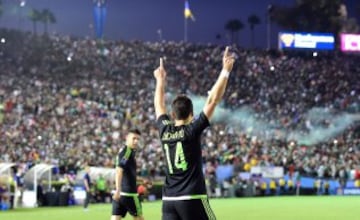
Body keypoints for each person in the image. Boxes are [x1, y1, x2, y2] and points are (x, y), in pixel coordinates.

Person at [153, 46, 235, 220]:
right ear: (191, 114)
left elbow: (159, 105)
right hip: (192, 198)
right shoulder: (192, 130)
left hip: (168, 200)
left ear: (173, 114)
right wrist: (225, 71)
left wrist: (160, 80)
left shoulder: (165, 129)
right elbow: (212, 100)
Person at [111, 128, 150, 220]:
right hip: (129, 194)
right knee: (139, 218)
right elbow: (119, 170)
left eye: (138, 139)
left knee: (115, 218)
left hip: (120, 195)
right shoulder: (127, 152)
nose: (136, 141)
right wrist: (118, 189)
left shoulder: (127, 152)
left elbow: (127, 173)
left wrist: (141, 180)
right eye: (134, 138)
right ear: (127, 138)